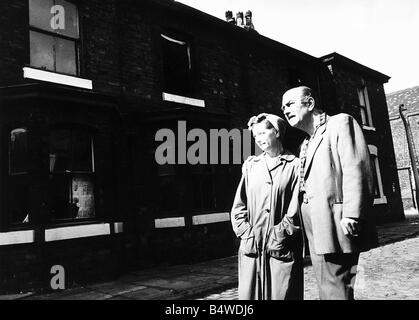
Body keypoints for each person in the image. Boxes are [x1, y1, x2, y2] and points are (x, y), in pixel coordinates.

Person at [281, 86, 378, 300]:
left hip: (337, 220)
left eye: (289, 104)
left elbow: (356, 166)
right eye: (282, 107)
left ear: (310, 103)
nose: (285, 110)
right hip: (314, 222)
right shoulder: (306, 142)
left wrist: (352, 213)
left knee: (338, 283)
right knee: (327, 283)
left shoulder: (340, 123)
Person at [231, 113, 303, 300]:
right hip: (252, 248)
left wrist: (280, 234)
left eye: (263, 133)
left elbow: (296, 209)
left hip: (281, 247)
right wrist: (247, 234)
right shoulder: (251, 166)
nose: (259, 139)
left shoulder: (295, 166)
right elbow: (239, 207)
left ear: (277, 132)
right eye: (255, 136)